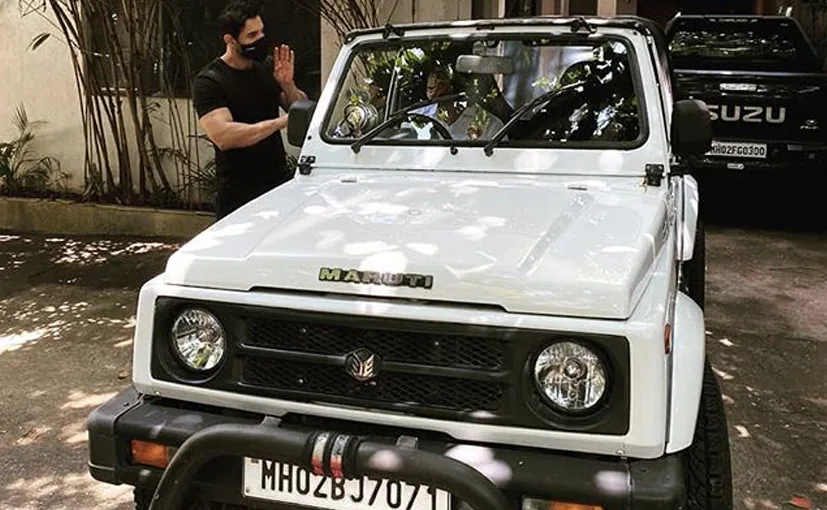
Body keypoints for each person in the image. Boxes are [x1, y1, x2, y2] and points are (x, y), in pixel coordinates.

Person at [192, 0, 308, 219]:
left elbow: (298, 108)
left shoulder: (266, 67)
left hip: (277, 186)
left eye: (261, 32)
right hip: (237, 194)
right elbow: (224, 136)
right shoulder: (210, 81)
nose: (260, 39)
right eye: (252, 35)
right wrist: (279, 123)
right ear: (230, 40)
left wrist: (287, 84)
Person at [412, 68, 504, 140]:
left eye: (441, 85)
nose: (435, 93)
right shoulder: (415, 118)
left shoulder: (490, 125)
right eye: (431, 88)